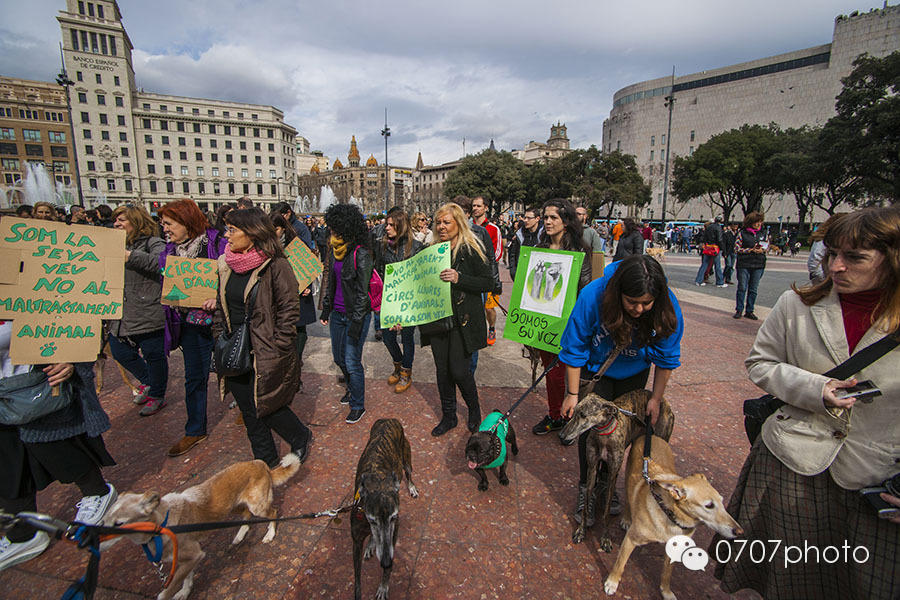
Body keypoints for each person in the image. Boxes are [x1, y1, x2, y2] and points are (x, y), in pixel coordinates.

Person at [712, 207, 900, 599]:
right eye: (832, 254)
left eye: (855, 258)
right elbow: (760, 363)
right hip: (794, 462)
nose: (837, 267)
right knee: (792, 577)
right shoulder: (795, 304)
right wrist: (814, 388)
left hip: (877, 478)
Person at [559, 254, 684, 523]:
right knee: (592, 430)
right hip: (597, 370)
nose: (639, 310)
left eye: (646, 304)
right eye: (632, 302)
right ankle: (587, 489)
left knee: (620, 432)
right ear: (618, 294)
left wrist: (655, 399)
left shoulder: (666, 305)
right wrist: (571, 395)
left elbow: (667, 355)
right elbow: (574, 347)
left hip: (634, 372)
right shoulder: (594, 295)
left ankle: (606, 486)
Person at [0, 342, 117, 571]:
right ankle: (23, 532)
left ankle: (97, 493)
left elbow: (82, 316)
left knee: (55, 443)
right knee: (7, 458)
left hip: (43, 379)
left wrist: (75, 356)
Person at [217, 208, 312, 466]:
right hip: (234, 350)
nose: (227, 235)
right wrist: (220, 339)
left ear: (252, 233)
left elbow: (289, 310)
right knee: (249, 412)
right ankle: (266, 464)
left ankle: (300, 435)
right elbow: (221, 305)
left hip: (264, 350)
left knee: (266, 406)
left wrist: (279, 345)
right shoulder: (225, 264)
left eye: (232, 230)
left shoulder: (277, 265)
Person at [158, 199, 227, 457]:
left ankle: (248, 411)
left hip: (220, 322)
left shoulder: (215, 242)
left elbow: (232, 276)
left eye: (169, 223)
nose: (165, 229)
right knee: (194, 377)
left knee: (236, 369)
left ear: (186, 221)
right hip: (188, 325)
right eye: (163, 224)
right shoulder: (169, 251)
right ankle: (195, 429)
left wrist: (217, 298)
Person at [423, 203, 493, 436]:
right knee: (442, 371)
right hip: (437, 319)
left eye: (447, 222)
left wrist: (459, 277)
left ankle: (474, 411)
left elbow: (487, 282)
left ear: (459, 223)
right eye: (438, 222)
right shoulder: (431, 249)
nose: (441, 226)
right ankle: (449, 416)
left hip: (463, 321)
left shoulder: (471, 248)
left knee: (460, 371)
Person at [531, 199, 593, 437]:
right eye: (545, 217)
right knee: (551, 373)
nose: (547, 222)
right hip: (543, 323)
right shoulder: (539, 249)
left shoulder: (579, 251)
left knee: (564, 374)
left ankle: (567, 417)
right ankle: (557, 415)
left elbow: (585, 290)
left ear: (566, 221)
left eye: (553, 217)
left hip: (568, 324)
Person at [107, 205, 168, 416]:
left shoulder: (154, 243)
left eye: (122, 220)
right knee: (119, 351)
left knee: (154, 354)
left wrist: (130, 256)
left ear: (137, 222)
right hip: (121, 313)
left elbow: (163, 264)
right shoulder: (113, 244)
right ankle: (150, 383)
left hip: (147, 310)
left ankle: (157, 394)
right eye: (116, 220)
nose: (117, 224)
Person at [320, 203, 372, 424]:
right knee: (338, 358)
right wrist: (326, 308)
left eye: (334, 228)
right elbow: (331, 281)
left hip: (355, 315)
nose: (331, 232)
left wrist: (357, 323)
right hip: (337, 314)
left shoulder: (361, 253)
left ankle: (358, 405)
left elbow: (362, 292)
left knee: (352, 361)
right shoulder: (334, 250)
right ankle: (351, 389)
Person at [375, 208, 423, 393]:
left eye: (390, 225)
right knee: (387, 337)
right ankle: (398, 364)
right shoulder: (383, 246)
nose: (386, 228)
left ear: (400, 226)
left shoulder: (416, 247)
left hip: (409, 301)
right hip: (389, 300)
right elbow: (379, 272)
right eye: (386, 224)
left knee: (408, 338)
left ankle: (406, 372)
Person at [270, 213, 317, 394]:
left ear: (283, 228)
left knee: (298, 334)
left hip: (298, 297)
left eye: (276, 229)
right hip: (278, 299)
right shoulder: (266, 247)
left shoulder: (295, 245)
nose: (273, 232)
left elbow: (307, 266)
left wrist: (307, 285)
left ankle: (295, 372)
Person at [471, 196, 503, 346]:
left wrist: (484, 267)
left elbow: (497, 253)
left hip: (488, 275)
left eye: (478, 206)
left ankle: (491, 328)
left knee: (489, 308)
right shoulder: (468, 227)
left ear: (486, 208)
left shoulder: (493, 229)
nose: (475, 208)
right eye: (474, 206)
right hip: (472, 275)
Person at [733, 211, 767, 320]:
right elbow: (737, 248)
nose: (758, 224)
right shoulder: (742, 233)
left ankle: (750, 310)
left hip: (758, 263)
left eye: (760, 222)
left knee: (753, 289)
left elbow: (767, 246)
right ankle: (739, 309)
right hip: (744, 263)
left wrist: (762, 250)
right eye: (756, 222)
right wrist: (750, 250)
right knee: (742, 287)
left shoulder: (763, 234)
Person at [507, 208, 542, 280]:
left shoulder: (544, 235)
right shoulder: (520, 234)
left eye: (529, 218)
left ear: (537, 219)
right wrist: (513, 272)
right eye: (525, 217)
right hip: (521, 274)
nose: (525, 220)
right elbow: (513, 254)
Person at [694, 216, 727, 287]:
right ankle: (720, 282)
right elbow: (719, 239)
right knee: (717, 265)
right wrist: (723, 248)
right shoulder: (718, 228)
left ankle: (699, 280)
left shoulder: (709, 227)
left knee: (704, 264)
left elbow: (704, 237)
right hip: (715, 247)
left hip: (708, 247)